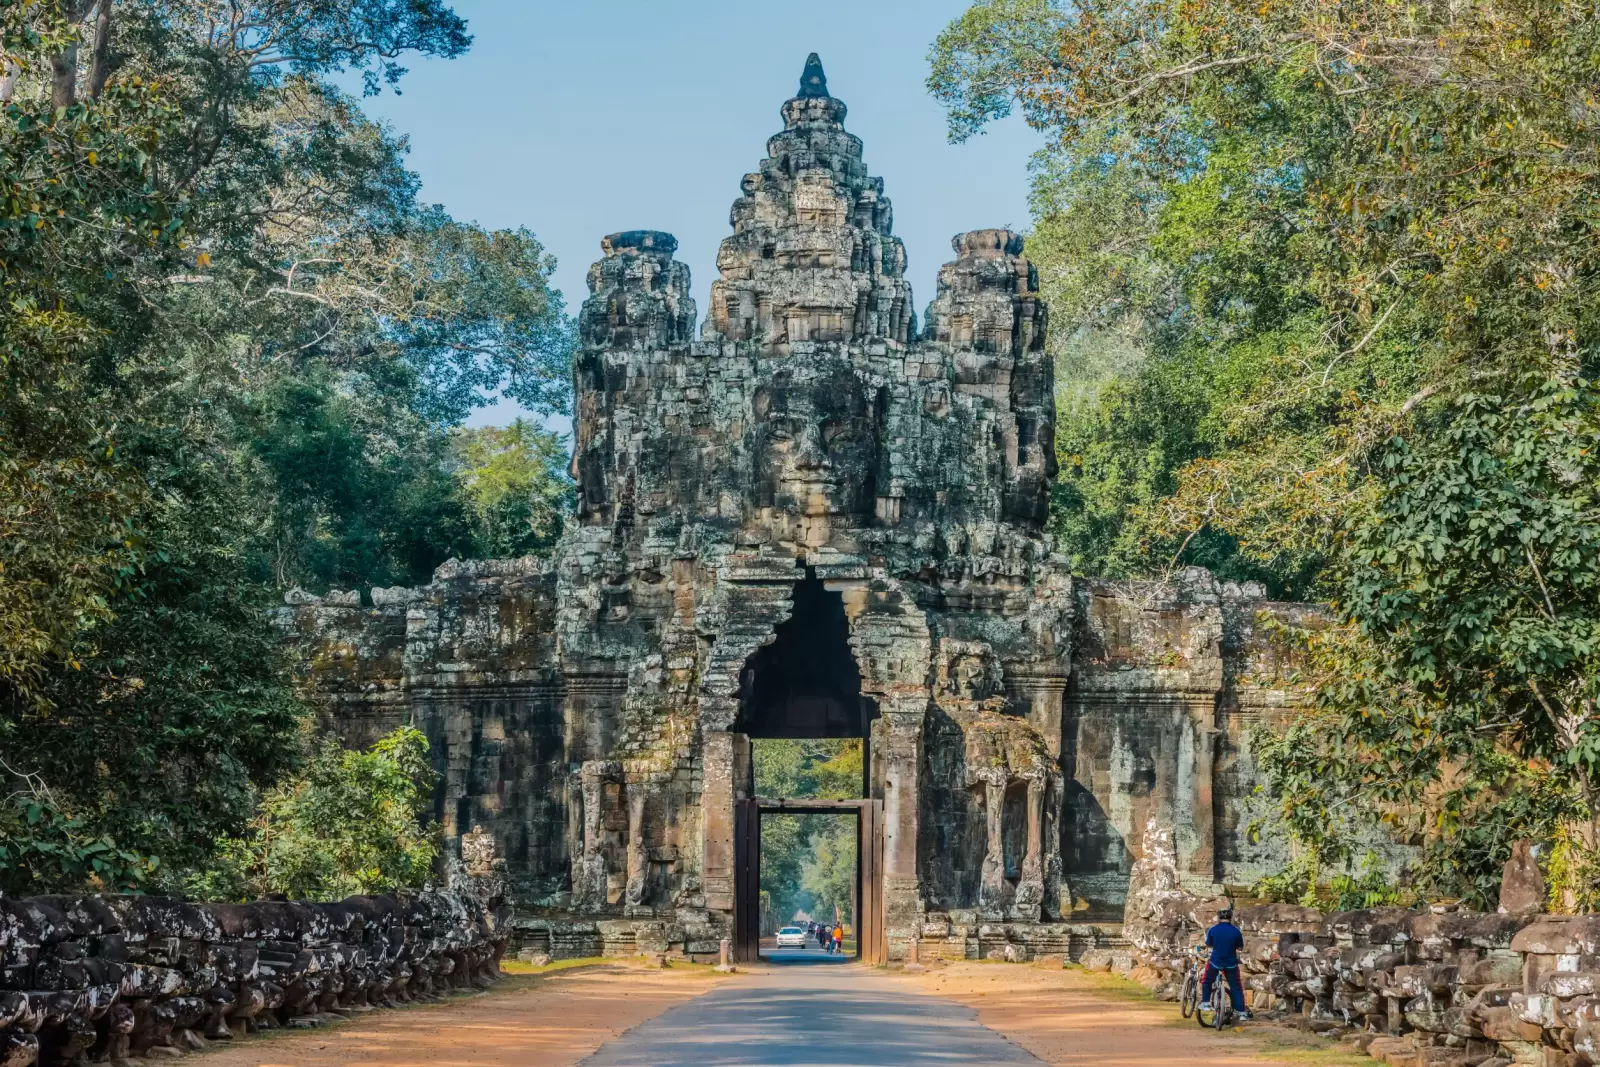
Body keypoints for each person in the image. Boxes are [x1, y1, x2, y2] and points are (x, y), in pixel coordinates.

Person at [1201, 907, 1251, 1020]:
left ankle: (1205, 1003)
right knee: (1236, 987)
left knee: (1207, 981)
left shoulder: (1213, 930)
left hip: (1215, 961)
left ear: (1219, 918)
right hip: (1231, 962)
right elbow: (1240, 948)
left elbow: (1209, 944)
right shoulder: (1236, 931)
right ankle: (1241, 1013)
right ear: (1230, 918)